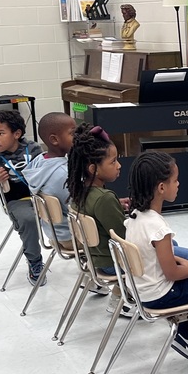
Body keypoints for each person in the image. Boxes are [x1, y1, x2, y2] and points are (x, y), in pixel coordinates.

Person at [124, 151, 188, 369]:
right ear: (161, 188)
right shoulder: (159, 227)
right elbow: (172, 274)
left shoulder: (134, 217)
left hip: (143, 290)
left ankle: (186, 336)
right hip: (160, 294)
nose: (178, 184)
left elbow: (152, 255)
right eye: (175, 180)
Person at [0, 110, 46, 286]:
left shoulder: (34, 148)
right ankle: (35, 261)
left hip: (41, 196)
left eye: (0, 133)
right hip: (17, 201)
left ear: (17, 134)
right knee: (29, 220)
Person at [67, 123, 128, 315]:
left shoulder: (79, 192)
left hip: (93, 259)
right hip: (111, 263)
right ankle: (126, 300)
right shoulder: (104, 198)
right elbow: (124, 239)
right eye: (113, 161)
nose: (119, 165)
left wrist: (115, 205)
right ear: (93, 168)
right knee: (173, 248)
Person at [21, 111, 75, 250]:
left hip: (53, 233)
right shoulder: (62, 174)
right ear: (54, 140)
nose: (77, 138)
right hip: (73, 237)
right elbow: (81, 207)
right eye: (72, 134)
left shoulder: (39, 161)